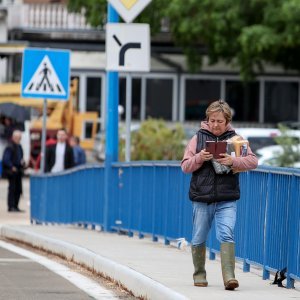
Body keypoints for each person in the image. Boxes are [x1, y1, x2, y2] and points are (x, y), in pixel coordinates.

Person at [181, 100, 258, 290]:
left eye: (220, 121)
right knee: (199, 236)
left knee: (226, 233)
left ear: (227, 122)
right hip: (202, 198)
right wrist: (199, 158)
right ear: (207, 119)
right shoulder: (197, 139)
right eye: (212, 120)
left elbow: (253, 161)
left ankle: (229, 277)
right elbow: (185, 166)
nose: (215, 124)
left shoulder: (236, 139)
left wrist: (234, 161)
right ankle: (199, 274)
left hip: (227, 197)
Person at [2, 130, 26, 212]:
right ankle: (11, 206)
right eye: (17, 137)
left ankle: (16, 206)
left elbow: (20, 158)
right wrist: (12, 166)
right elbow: (6, 159)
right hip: (12, 172)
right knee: (12, 189)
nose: (18, 139)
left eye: (19, 137)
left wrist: (22, 163)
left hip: (18, 171)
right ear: (13, 137)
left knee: (18, 189)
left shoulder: (19, 147)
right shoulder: (10, 146)